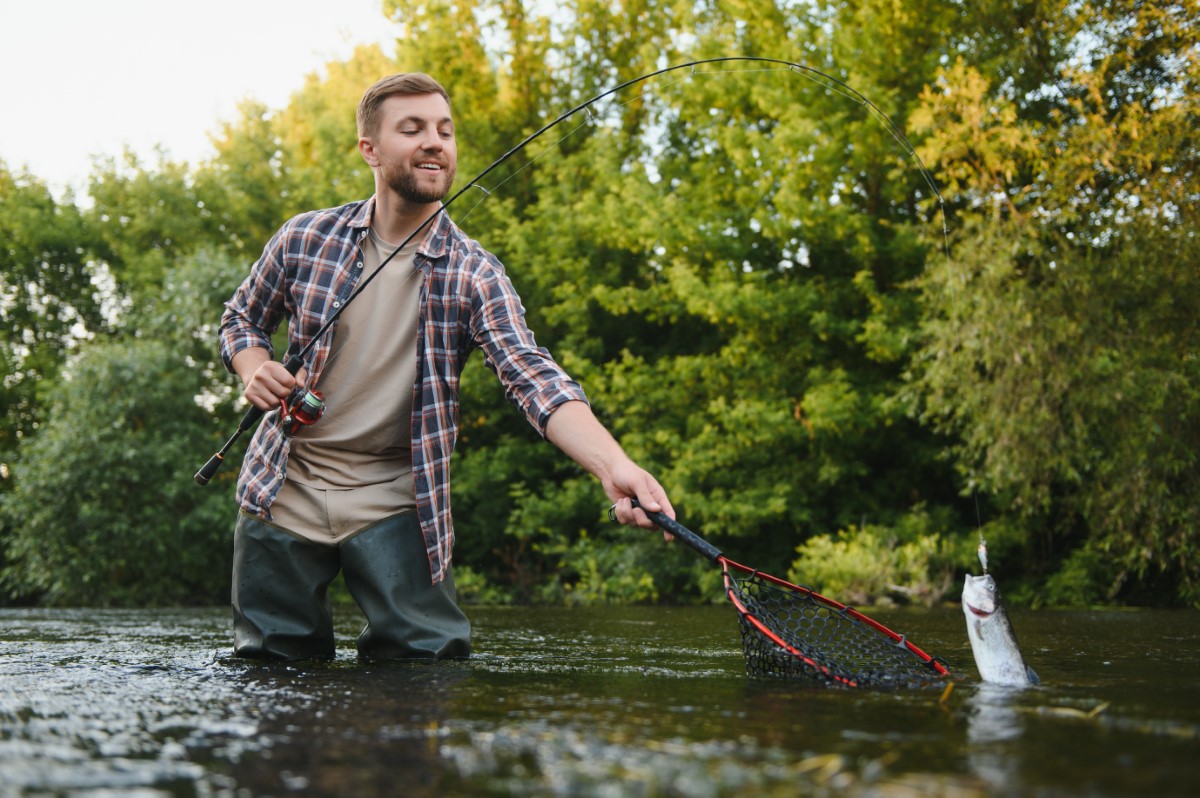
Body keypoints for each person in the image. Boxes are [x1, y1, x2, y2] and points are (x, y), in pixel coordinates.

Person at [218, 72, 673, 661]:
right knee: (269, 683)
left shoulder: (476, 273)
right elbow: (240, 320)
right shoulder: (305, 237)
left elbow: (532, 375)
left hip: (398, 499)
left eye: (445, 130)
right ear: (370, 150)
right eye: (412, 129)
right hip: (283, 488)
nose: (435, 142)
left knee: (424, 677)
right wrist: (254, 365)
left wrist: (614, 466)